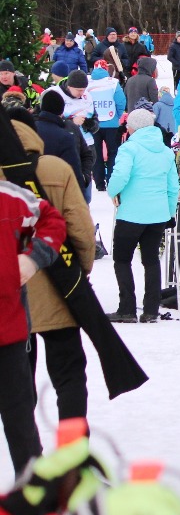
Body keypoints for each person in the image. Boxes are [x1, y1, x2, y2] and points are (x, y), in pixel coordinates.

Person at [2, 109, 94, 428]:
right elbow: (81, 230)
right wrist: (80, 270)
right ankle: (72, 461)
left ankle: (29, 461)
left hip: (11, 299)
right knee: (69, 378)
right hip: (61, 291)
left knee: (16, 385)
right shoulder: (57, 168)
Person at [0, 179, 64, 477]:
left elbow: (50, 221)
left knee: (20, 421)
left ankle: (33, 496)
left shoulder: (11, 196)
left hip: (8, 332)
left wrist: (29, 257)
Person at [107, 108, 179, 323]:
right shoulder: (166, 151)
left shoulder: (129, 148)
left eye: (128, 125)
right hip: (157, 214)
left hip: (131, 213)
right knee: (151, 260)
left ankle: (127, 308)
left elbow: (120, 174)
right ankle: (151, 309)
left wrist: (113, 192)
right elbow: (172, 186)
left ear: (134, 127)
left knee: (122, 259)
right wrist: (169, 211)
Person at [86, 65, 126, 191]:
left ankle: (99, 182)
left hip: (94, 125)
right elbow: (121, 101)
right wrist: (117, 117)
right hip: (111, 123)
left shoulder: (88, 85)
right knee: (113, 152)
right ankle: (111, 179)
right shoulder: (113, 84)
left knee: (96, 153)